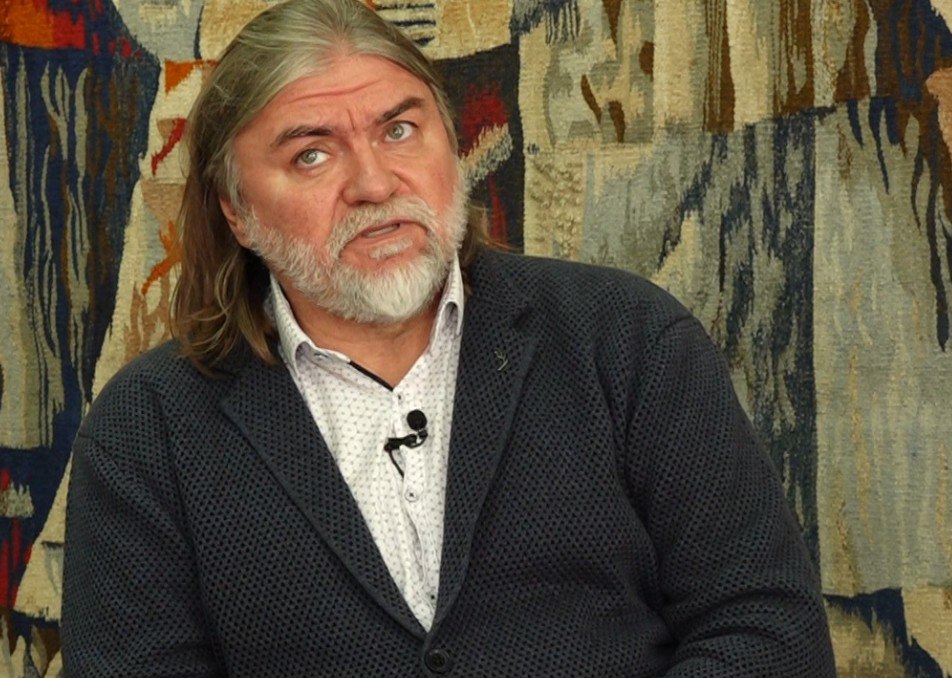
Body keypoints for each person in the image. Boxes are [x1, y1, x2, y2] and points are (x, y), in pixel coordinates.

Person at [61, 0, 835, 674]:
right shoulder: (148, 431)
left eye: (399, 130)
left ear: (451, 142)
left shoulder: (626, 339)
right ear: (236, 210)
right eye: (311, 153)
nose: (374, 184)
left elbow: (767, 631)